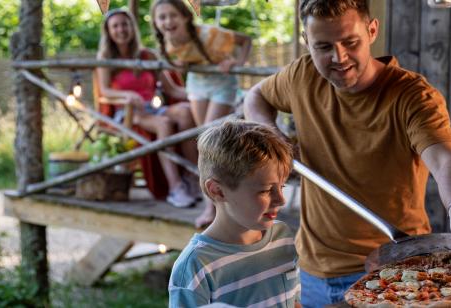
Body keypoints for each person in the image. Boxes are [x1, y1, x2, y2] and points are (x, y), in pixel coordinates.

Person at [243, 0, 451, 306]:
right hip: (310, 270)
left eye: (350, 42)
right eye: (324, 46)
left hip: (396, 270)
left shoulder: (413, 96)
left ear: (371, 31)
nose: (338, 57)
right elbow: (257, 96)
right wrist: (271, 134)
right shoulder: (301, 76)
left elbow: (445, 157)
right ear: (307, 41)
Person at [169, 120, 301, 308]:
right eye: (264, 190)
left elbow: (293, 302)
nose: (281, 200)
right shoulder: (195, 266)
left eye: (282, 187)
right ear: (217, 191)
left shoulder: (282, 236)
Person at [150, 0, 252, 228]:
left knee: (208, 142)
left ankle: (211, 208)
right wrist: (181, 65)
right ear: (156, 23)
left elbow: (245, 40)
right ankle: (216, 201)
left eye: (173, 15)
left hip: (221, 83)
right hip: (197, 83)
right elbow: (174, 68)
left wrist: (237, 62)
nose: (168, 21)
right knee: (204, 143)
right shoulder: (167, 43)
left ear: (186, 16)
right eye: (162, 17)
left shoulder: (209, 34)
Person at [96, 8, 198, 208]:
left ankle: (191, 175)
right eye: (115, 26)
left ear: (132, 28)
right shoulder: (106, 57)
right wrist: (127, 95)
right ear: (108, 31)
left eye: (125, 25)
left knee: (186, 110)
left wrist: (199, 96)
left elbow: (172, 89)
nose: (121, 30)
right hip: (127, 113)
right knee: (164, 123)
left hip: (151, 108)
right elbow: (105, 91)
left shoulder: (148, 56)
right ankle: (175, 187)